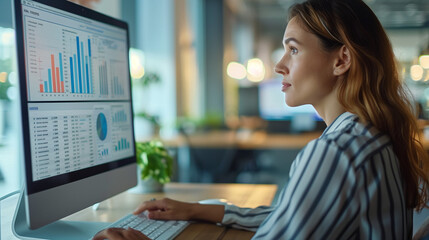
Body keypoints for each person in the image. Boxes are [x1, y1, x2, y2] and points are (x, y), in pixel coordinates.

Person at [94, 0, 429, 239]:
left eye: (293, 50)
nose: (279, 65)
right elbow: (298, 214)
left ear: (341, 60)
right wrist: (199, 210)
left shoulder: (336, 153)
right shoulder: (371, 136)